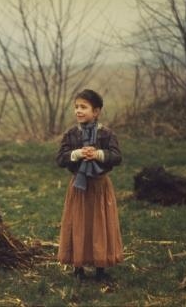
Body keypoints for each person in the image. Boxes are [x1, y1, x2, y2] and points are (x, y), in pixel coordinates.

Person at [56, 89, 123, 282]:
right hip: (79, 187)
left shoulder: (107, 134)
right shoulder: (70, 134)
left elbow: (117, 157)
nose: (78, 111)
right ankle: (78, 267)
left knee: (100, 224)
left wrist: (98, 154)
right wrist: (76, 154)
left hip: (100, 187)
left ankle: (101, 267)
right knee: (78, 223)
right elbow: (60, 159)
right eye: (76, 107)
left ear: (96, 111)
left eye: (83, 107)